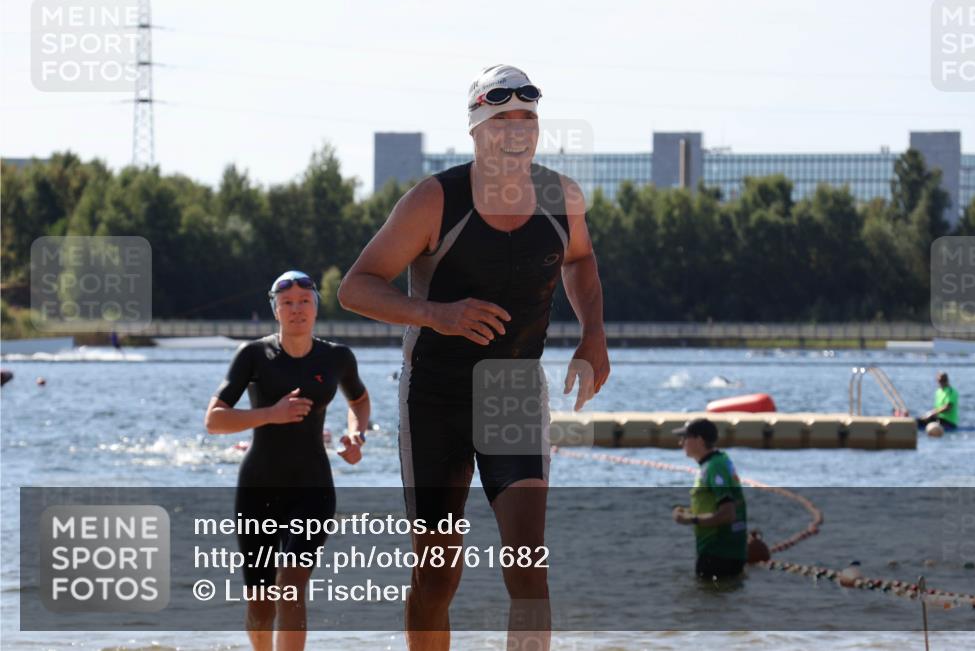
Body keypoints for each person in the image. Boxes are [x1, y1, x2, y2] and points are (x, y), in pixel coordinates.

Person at [338, 64, 610, 651]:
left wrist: (593, 335)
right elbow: (356, 287)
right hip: (435, 398)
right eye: (501, 120)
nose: (516, 132)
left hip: (512, 393)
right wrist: (439, 314)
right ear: (476, 130)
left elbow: (581, 260)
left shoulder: (562, 197)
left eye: (528, 119)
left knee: (528, 567)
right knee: (437, 574)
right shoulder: (434, 201)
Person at [204, 270, 371, 651]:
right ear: (275, 311)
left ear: (316, 307)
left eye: (304, 302)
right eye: (287, 303)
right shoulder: (253, 356)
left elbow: (359, 400)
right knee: (261, 604)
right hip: (258, 489)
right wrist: (270, 414)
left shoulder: (337, 357)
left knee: (292, 584)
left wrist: (355, 434)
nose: (296, 310)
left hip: (313, 488)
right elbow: (214, 420)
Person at [672, 418, 748, 580]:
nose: (681, 442)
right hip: (725, 552)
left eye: (685, 437)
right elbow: (716, 505)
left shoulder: (714, 467)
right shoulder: (719, 460)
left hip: (718, 552)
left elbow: (728, 514)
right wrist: (690, 512)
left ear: (699, 440)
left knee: (707, 600)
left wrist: (690, 519)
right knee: (715, 601)